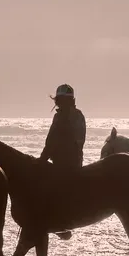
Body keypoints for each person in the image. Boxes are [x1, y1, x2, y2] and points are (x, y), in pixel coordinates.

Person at [40, 83, 86, 239]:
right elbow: (50, 140)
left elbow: (78, 142)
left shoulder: (77, 116)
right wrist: (43, 158)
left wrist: (56, 151)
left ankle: (63, 224)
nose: (58, 103)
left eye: (60, 100)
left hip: (70, 162)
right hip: (57, 160)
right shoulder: (58, 116)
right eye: (58, 100)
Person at [40, 83, 86, 169]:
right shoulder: (76, 115)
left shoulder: (66, 116)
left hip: (66, 165)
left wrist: (42, 159)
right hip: (70, 163)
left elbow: (52, 140)